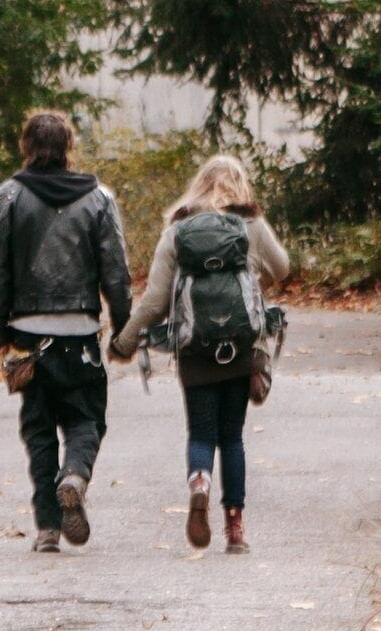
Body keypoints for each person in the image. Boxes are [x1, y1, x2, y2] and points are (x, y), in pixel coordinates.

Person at [122, 153, 293, 554]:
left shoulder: (179, 229)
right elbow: (282, 267)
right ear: (240, 185)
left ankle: (199, 481)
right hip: (240, 345)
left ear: (198, 185)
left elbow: (155, 302)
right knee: (232, 438)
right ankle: (235, 528)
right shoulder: (250, 224)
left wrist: (124, 341)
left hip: (195, 348)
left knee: (201, 432)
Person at [0, 109, 133, 552]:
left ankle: (47, 526)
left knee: (39, 428)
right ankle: (76, 475)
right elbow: (116, 271)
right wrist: (121, 327)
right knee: (87, 417)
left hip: (28, 333)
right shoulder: (99, 197)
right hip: (80, 330)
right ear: (68, 145)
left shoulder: (6, 197)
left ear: (26, 145)